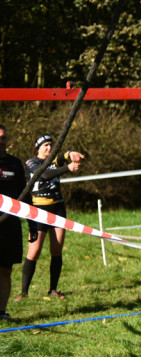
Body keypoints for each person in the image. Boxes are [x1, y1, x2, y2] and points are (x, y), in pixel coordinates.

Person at [16, 134, 83, 301]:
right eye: (45, 145)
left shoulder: (54, 161)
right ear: (37, 147)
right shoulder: (31, 162)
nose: (49, 148)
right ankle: (24, 292)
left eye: (51, 145)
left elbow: (61, 158)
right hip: (38, 210)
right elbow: (44, 174)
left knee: (56, 249)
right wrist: (68, 168)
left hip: (58, 208)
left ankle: (53, 289)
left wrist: (70, 154)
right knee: (34, 251)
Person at [0, 125, 32, 322]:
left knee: (5, 269)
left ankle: (1, 312)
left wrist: (33, 224)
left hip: (10, 225)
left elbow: (24, 194)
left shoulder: (15, 164)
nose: (1, 141)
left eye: (3, 137)